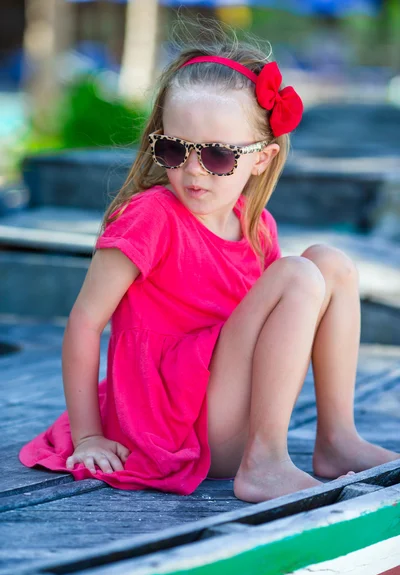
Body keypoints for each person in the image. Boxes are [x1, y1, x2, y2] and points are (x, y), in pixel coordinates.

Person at [19, 23, 399, 503]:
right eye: (175, 149)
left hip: (223, 413)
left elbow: (271, 335)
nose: (194, 170)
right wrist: (89, 435)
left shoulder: (256, 227)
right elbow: (84, 322)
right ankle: (264, 462)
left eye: (218, 155)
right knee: (300, 271)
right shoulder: (150, 215)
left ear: (261, 159)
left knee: (331, 262)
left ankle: (336, 439)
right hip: (170, 427)